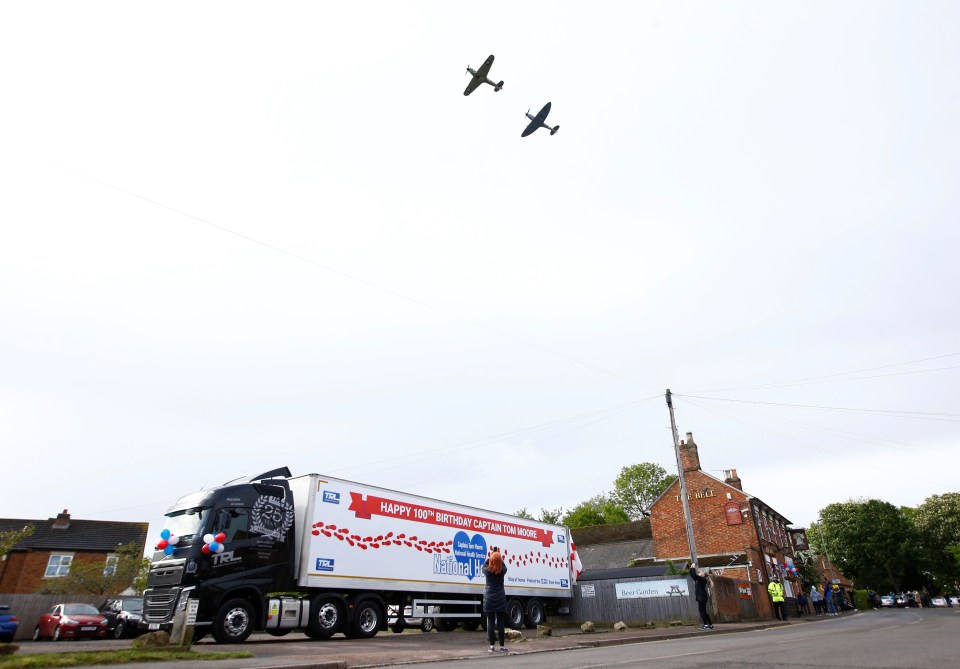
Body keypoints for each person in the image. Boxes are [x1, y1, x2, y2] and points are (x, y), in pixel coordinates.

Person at [482, 548, 509, 653]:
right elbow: (504, 566)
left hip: (489, 598)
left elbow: (483, 566)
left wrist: (490, 557)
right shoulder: (502, 571)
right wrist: (498, 558)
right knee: (501, 623)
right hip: (500, 598)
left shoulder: (487, 571)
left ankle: (492, 647)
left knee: (491, 623)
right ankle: (502, 646)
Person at [689, 564, 714, 630]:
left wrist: (694, 567)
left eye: (700, 572)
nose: (699, 572)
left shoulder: (702, 579)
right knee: (704, 611)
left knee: (701, 611)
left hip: (701, 597)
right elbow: (692, 575)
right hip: (702, 597)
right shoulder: (699, 579)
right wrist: (691, 568)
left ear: (703, 574)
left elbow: (694, 575)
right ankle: (710, 625)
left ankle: (706, 625)